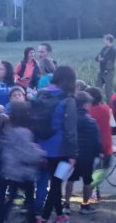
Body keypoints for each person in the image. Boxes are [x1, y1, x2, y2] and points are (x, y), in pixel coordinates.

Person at [36, 66, 78, 223]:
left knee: (53, 181)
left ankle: (59, 214)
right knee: (56, 182)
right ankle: (44, 217)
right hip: (61, 148)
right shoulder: (69, 99)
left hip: (41, 145)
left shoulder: (42, 93)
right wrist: (73, 154)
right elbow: (70, 130)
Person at [63, 91, 103, 215]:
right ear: (86, 104)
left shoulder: (69, 119)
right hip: (87, 156)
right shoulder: (91, 121)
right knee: (87, 181)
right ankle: (85, 206)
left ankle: (66, 205)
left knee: (70, 179)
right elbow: (96, 141)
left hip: (71, 155)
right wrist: (98, 154)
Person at [85, 86, 113, 201]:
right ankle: (94, 191)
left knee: (92, 172)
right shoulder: (106, 109)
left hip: (91, 147)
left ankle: (91, 192)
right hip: (106, 146)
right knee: (102, 170)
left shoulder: (87, 112)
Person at [95, 34, 116, 102]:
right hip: (101, 71)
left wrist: (100, 59)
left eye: (105, 39)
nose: (103, 40)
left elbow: (106, 60)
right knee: (97, 89)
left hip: (109, 72)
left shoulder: (113, 50)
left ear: (108, 40)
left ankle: (111, 106)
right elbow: (96, 58)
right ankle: (99, 104)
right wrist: (100, 59)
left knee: (108, 91)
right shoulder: (104, 48)